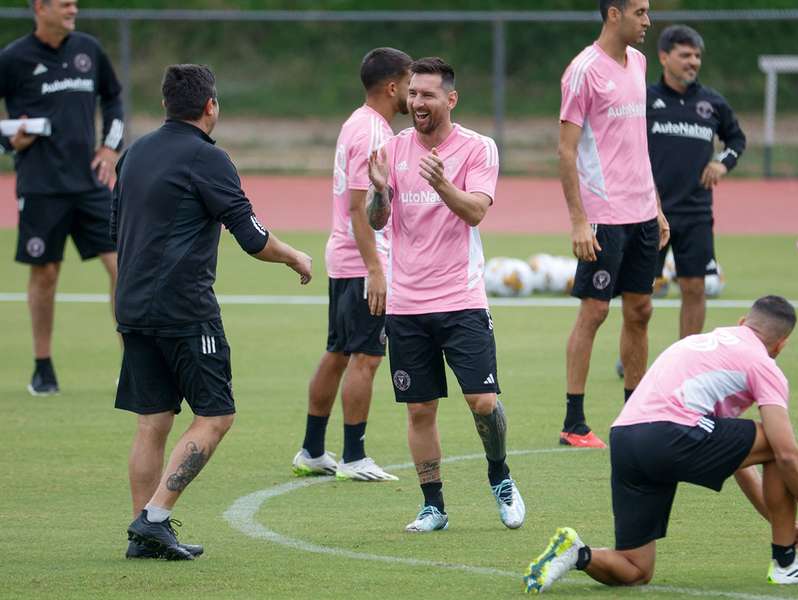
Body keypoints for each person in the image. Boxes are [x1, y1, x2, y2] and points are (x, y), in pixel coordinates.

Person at [114, 64, 313, 560]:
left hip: (133, 305)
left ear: (164, 105)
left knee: (152, 421)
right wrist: (294, 256)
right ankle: (155, 519)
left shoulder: (134, 153)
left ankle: (143, 532)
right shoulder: (209, 159)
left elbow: (114, 227)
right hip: (184, 310)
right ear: (211, 107)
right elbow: (252, 238)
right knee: (216, 416)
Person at [524, 296, 798, 591]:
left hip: (625, 439)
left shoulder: (703, 342)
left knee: (636, 569)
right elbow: (785, 453)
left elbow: (736, 461)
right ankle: (785, 563)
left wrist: (778, 520)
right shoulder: (763, 364)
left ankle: (577, 554)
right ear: (781, 344)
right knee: (776, 442)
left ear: (743, 321)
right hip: (668, 434)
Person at [367, 56, 525, 532]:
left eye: (427, 95)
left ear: (450, 100)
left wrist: (442, 184)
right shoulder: (393, 150)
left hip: (461, 298)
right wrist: (381, 194)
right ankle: (433, 505)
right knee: (420, 410)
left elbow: (476, 211)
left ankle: (500, 476)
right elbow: (377, 221)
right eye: (413, 93)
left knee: (482, 401)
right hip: (407, 304)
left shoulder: (478, 148)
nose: (417, 102)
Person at [291, 48, 411, 483]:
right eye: (410, 84)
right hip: (362, 263)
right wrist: (376, 269)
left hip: (343, 258)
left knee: (339, 351)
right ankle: (354, 455)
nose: (413, 94)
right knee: (366, 357)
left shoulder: (356, 122)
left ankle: (312, 449)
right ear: (392, 87)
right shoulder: (375, 134)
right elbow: (360, 209)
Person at [557, 0, 669, 448]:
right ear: (613, 14)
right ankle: (574, 423)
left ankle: (634, 417)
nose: (648, 21)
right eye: (640, 12)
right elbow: (565, 151)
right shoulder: (583, 71)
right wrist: (579, 221)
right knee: (596, 310)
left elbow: (636, 143)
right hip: (603, 216)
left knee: (641, 311)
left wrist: (656, 206)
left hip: (642, 212)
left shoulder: (639, 62)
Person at [0, 0, 123, 396]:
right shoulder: (13, 58)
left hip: (90, 184)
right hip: (40, 185)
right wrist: (9, 141)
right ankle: (43, 367)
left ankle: (135, 366)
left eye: (75, 3)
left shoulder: (89, 49)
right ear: (40, 7)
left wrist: (109, 148)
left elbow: (114, 99)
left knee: (123, 266)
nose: (73, 9)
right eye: (65, 3)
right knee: (46, 273)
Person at [647, 24, 745, 339]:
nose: (693, 62)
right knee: (640, 292)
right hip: (649, 211)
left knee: (694, 287)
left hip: (696, 211)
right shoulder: (645, 100)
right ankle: (633, 351)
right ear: (664, 57)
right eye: (685, 55)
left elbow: (736, 139)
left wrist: (722, 162)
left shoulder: (712, 103)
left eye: (697, 56)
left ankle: (685, 356)